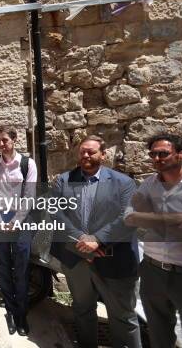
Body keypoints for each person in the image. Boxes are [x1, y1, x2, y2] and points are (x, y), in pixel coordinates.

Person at [51, 135, 141, 348]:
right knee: (82, 311)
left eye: (91, 151)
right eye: (82, 151)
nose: (86, 155)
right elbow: (54, 213)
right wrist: (83, 241)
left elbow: (128, 217)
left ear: (103, 154)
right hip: (77, 258)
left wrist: (98, 240)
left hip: (114, 258)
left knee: (123, 317)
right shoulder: (64, 180)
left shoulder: (123, 183)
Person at [124, 133, 182, 348]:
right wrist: (179, 218)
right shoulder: (149, 184)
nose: (157, 159)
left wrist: (152, 217)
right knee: (159, 335)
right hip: (152, 271)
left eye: (163, 154)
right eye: (153, 154)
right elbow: (130, 217)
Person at [0, 126, 37, 334]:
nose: (1, 144)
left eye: (5, 140)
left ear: (14, 140)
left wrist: (15, 221)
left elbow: (30, 196)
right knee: (4, 268)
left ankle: (21, 314)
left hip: (21, 220)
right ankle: (10, 312)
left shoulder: (27, 164)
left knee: (22, 269)